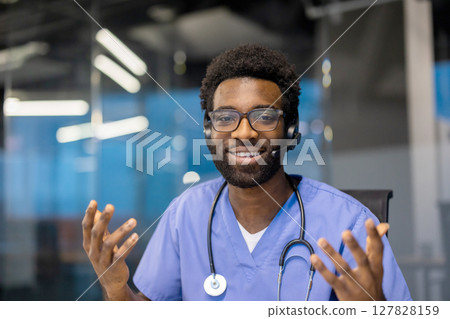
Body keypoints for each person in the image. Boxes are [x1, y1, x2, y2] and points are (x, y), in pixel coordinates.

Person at [82, 44, 411, 301]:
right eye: (225, 118)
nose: (243, 133)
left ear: (292, 130)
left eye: (264, 116)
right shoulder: (185, 214)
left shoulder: (348, 223)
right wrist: (115, 289)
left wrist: (376, 307)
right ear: (209, 132)